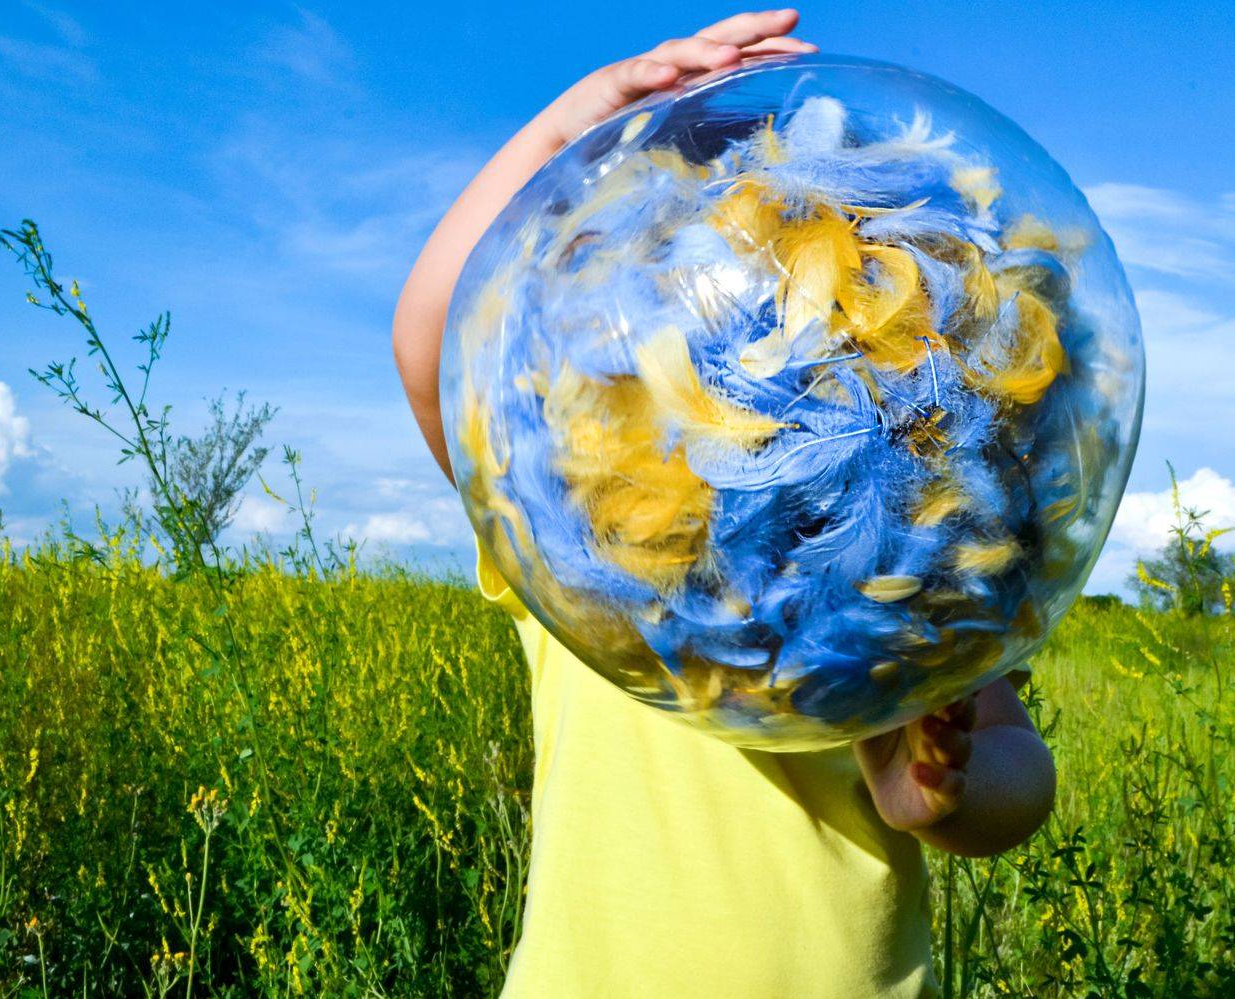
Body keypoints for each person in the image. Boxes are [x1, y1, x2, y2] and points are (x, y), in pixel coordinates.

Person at [393, 11, 1056, 996]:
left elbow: (1021, 777)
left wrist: (937, 793)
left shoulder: (905, 576)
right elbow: (432, 340)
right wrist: (576, 119)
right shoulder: (583, 554)